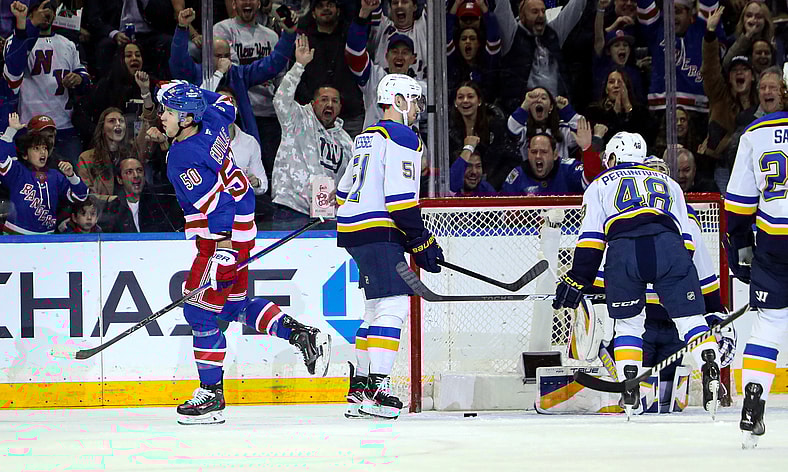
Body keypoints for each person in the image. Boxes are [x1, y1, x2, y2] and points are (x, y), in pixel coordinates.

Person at [157, 80, 330, 425]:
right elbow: (225, 103)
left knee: (200, 315)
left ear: (188, 118)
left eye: (168, 111)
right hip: (243, 230)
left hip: (219, 238)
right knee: (233, 305)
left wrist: (221, 251)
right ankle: (301, 334)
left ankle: (211, 394)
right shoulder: (217, 121)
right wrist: (192, 91)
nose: (161, 116)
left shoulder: (182, 155)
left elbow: (218, 204)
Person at [553, 131, 722, 419]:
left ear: (614, 157)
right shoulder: (670, 184)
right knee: (691, 320)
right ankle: (708, 361)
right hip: (670, 248)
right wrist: (673, 281)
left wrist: (577, 279)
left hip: (625, 250)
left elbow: (592, 241)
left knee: (628, 325)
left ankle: (630, 387)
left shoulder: (599, 184)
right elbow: (687, 243)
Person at [337, 73, 442, 419]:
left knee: (374, 307)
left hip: (354, 229)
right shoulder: (402, 135)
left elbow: (341, 192)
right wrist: (421, 238)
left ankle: (360, 388)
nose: (416, 109)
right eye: (413, 101)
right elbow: (399, 199)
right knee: (394, 305)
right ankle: (378, 389)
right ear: (398, 101)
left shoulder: (365, 137)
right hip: (379, 227)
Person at [169, 6, 296, 179]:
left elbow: (272, 64)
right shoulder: (195, 73)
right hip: (204, 146)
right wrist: (182, 28)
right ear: (206, 55)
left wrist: (288, 35)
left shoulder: (239, 74)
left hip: (238, 144)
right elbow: (177, 62)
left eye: (227, 55)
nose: (224, 60)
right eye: (218, 55)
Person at [725, 110, 788, 448]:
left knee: (770, 324)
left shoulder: (759, 131)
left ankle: (754, 396)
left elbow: (737, 205)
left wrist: (740, 248)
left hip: (775, 244)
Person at [271, 35, 352, 229]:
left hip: (328, 216)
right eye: (324, 99)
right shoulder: (297, 119)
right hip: (290, 209)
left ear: (341, 107)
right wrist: (299, 65)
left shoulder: (346, 141)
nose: (329, 104)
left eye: (334, 101)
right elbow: (280, 100)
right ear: (313, 102)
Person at [4, 0, 91, 165]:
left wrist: (79, 79)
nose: (45, 14)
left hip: (63, 127)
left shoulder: (68, 44)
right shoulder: (14, 41)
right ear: (30, 14)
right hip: (30, 129)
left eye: (49, 10)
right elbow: (13, 71)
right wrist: (31, 26)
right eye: (40, 10)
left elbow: (84, 77)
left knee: (73, 180)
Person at [214, 0, 285, 175]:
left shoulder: (272, 36)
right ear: (233, 4)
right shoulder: (221, 30)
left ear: (259, 3)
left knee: (268, 170)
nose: (247, 2)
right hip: (237, 115)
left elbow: (280, 76)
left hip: (268, 113)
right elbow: (230, 72)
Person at [0, 112, 89, 234]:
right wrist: (10, 131)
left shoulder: (57, 175)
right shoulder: (17, 171)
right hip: (17, 235)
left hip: (47, 236)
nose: (42, 152)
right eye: (37, 148)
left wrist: (71, 176)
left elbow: (81, 196)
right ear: (25, 154)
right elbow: (2, 157)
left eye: (45, 148)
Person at [493, 0, 588, 114]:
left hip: (555, 112)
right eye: (535, 12)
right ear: (522, 16)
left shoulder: (553, 33)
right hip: (521, 113)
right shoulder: (512, 35)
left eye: (543, 11)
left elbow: (576, 8)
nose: (541, 16)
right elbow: (502, 6)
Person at [703, 7, 758, 194]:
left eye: (745, 69)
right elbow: (710, 68)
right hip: (723, 167)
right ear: (729, 77)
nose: (740, 72)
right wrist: (710, 34)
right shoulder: (720, 97)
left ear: (752, 76)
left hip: (755, 166)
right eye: (735, 70)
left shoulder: (761, 103)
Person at [345, 4, 423, 130]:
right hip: (377, 145)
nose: (399, 56)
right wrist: (363, 15)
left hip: (407, 145)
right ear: (386, 56)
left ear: (413, 59)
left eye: (405, 52)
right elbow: (354, 53)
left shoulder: (420, 87)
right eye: (395, 51)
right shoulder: (375, 77)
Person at [295, 0, 365, 138]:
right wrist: (311, 102)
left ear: (338, 10)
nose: (326, 9)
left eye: (330, 5)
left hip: (350, 116)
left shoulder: (350, 36)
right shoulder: (304, 41)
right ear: (313, 13)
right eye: (320, 6)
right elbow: (297, 76)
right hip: (314, 118)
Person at [449, 82, 519, 190]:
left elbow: (507, 159)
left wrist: (490, 186)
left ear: (479, 101)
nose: (465, 100)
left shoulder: (495, 125)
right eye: (460, 97)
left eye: (470, 96)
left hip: (490, 186)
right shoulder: (449, 129)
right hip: (458, 188)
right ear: (455, 102)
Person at [77, 107, 146, 205]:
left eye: (121, 121)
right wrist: (110, 200)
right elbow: (86, 193)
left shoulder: (133, 153)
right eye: (112, 121)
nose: (118, 124)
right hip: (103, 212)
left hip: (132, 209)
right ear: (102, 128)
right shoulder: (86, 158)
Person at [102, 156, 184, 233]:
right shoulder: (113, 208)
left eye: (139, 170)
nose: (136, 175)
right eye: (129, 172)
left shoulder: (160, 202)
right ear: (120, 179)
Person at [446, 0, 501, 98]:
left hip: (485, 109)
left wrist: (482, 6)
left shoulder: (488, 61)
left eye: (472, 38)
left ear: (479, 43)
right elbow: (446, 36)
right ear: (458, 44)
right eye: (463, 39)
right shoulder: (452, 61)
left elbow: (493, 36)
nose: (467, 42)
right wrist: (456, 4)